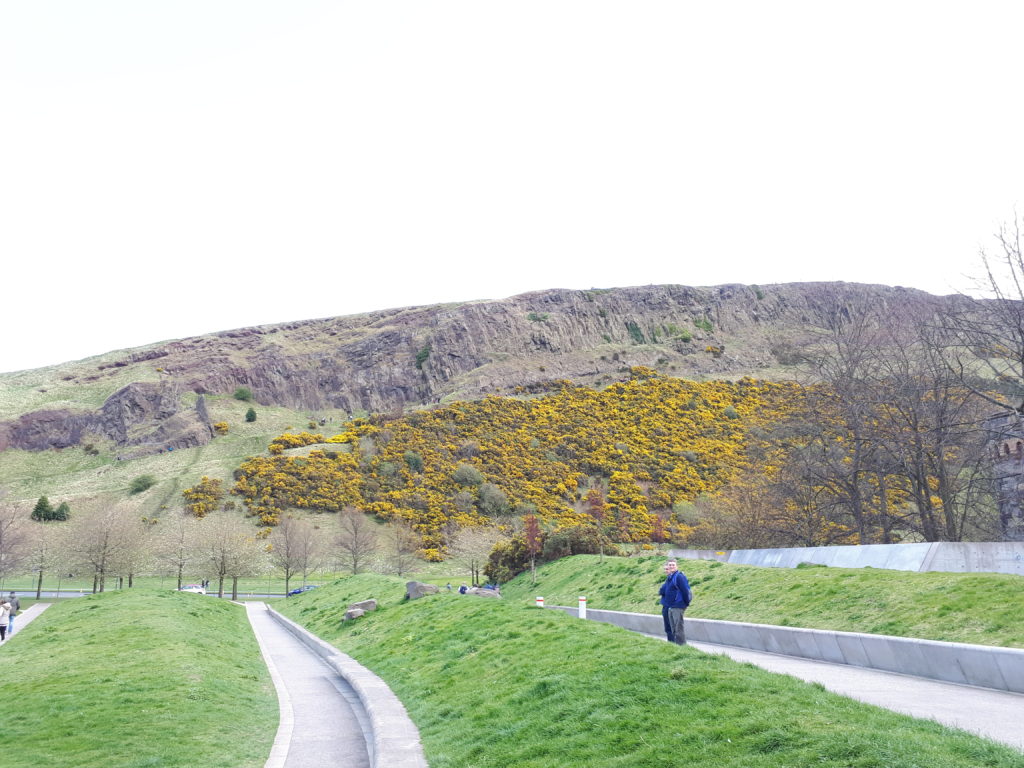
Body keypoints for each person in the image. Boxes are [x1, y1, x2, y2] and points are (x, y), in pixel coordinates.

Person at [659, 559, 691, 645]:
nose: (671, 566)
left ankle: (682, 647)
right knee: (673, 628)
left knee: (678, 628)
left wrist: (685, 603)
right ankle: (675, 646)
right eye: (670, 565)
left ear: (677, 566)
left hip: (678, 605)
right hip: (671, 606)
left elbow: (685, 591)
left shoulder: (679, 577)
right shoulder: (670, 577)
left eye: (673, 565)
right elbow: (662, 591)